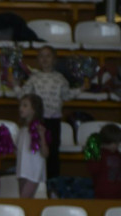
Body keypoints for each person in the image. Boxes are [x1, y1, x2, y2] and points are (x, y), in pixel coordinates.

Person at [9, 46, 85, 181]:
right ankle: (36, 179)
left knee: (53, 152)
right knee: (37, 152)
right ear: (37, 60)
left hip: (54, 120)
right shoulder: (34, 78)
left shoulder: (60, 78)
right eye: (41, 56)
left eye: (48, 56)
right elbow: (23, 94)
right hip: (38, 120)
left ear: (54, 60)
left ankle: (52, 182)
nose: (44, 59)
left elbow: (67, 95)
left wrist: (82, 89)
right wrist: (15, 85)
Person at [15, 94, 49, 199]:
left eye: (25, 106)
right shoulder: (21, 130)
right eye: (21, 105)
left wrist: (42, 136)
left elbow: (45, 153)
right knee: (24, 200)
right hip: (22, 169)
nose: (21, 108)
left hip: (33, 170)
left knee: (24, 199)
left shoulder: (39, 129)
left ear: (34, 110)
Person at [87, 123, 121, 199]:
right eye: (116, 143)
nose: (117, 145)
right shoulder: (97, 155)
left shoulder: (118, 154)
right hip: (102, 194)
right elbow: (92, 169)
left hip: (118, 193)